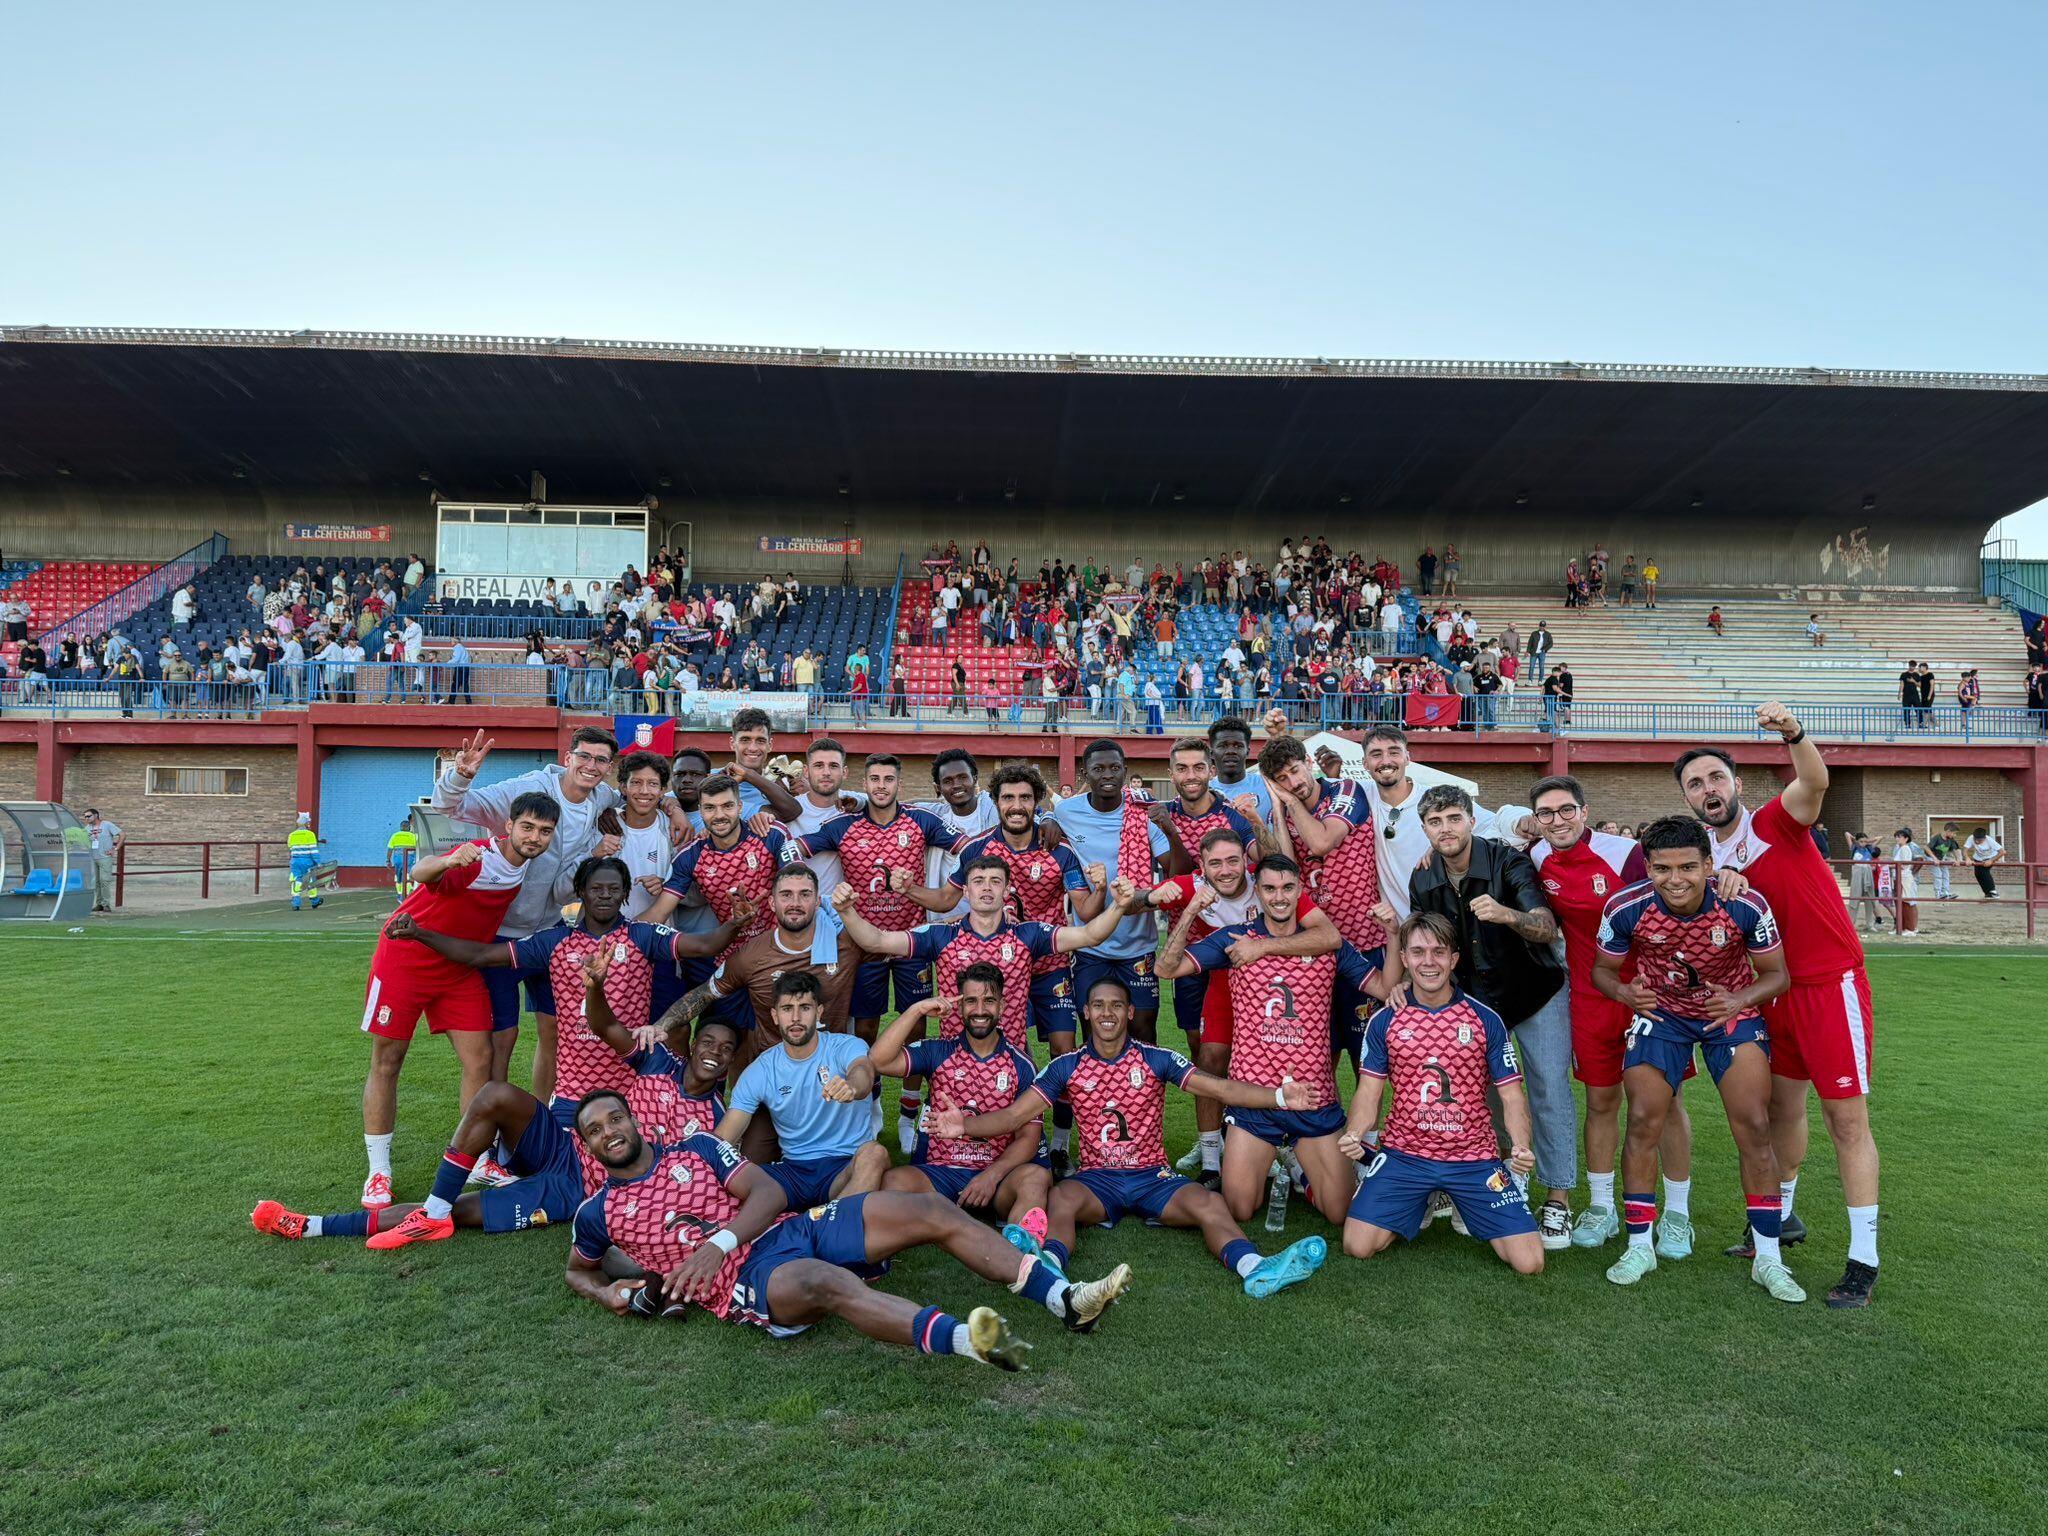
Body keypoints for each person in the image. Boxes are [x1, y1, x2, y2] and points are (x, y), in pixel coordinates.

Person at [563, 1093, 1127, 1363]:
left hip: (787, 1229)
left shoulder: (695, 1148)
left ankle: (1064, 1298)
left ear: (633, 1121)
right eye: (595, 1129)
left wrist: (717, 1241)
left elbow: (768, 1191)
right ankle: (973, 1343)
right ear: (586, 1144)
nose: (609, 1131)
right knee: (828, 1284)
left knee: (928, 1210)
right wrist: (606, 1289)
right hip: (749, 1278)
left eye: (615, 1118)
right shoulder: (597, 1214)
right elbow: (577, 1271)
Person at [256, 955, 740, 1247]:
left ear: (735, 1061)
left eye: (725, 1049)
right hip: (568, 1146)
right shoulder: (659, 1063)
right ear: (691, 1043)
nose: (714, 1053)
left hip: (581, 1192)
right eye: (707, 1043)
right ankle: (434, 1211)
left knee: (463, 1212)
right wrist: (595, 986)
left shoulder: (720, 1122)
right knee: (494, 1094)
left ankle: (313, 1226)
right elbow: (607, 1027)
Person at [931, 976, 1329, 1300]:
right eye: (1099, 1005)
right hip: (1097, 1180)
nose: (1107, 1013)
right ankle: (1049, 1267)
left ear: (1130, 1012)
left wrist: (1278, 1095)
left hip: (1151, 1176)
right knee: (1061, 1198)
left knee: (1208, 1202)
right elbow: (1014, 1115)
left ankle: (1254, 1268)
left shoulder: (1155, 1057)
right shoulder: (1064, 1066)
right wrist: (964, 1126)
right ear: (1086, 1013)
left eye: (1116, 1005)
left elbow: (1218, 1089)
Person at [1676, 703, 1883, 1307]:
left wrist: (1794, 733)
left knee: (1846, 1122)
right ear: (1688, 799)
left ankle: (1863, 1259)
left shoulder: (1772, 821)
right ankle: (1779, 1220)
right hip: (1775, 996)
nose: (1708, 790)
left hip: (1827, 985)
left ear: (1736, 784)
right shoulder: (1705, 862)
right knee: (1780, 1112)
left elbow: (1815, 783)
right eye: (1695, 784)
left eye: (1716, 778)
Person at [1591, 816, 1804, 1303]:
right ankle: (1640, 1244)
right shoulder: (1627, 906)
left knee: (1753, 1124)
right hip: (1661, 1016)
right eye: (1662, 868)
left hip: (1728, 1014)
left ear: (1710, 865)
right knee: (1644, 1119)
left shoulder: (1743, 903)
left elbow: (1777, 975)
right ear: (1647, 868)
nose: (1676, 879)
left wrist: (1738, 999)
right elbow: (1602, 970)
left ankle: (1768, 1256)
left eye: (1689, 866)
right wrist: (1625, 992)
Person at [384, 855, 743, 1117]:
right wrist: (419, 933)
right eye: (596, 888)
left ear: (623, 896)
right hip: (573, 1090)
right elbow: (480, 955)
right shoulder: (553, 942)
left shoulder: (642, 936)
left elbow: (705, 945)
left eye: (613, 889)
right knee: (560, 1173)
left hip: (633, 1086)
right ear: (580, 893)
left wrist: (735, 924)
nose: (604, 895)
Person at [1517, 776, 1702, 1254]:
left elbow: (1684, 883)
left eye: (1566, 810)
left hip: (1653, 997)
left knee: (1664, 1103)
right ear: (1536, 820)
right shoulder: (1537, 856)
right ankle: (1601, 1208)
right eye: (1546, 813)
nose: (1557, 820)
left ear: (1584, 810)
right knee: (1601, 1104)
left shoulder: (1625, 853)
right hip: (1592, 996)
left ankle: (1678, 1214)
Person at [1155, 854, 1391, 1227]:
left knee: (1340, 1212)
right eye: (1269, 888)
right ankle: (1273, 1163)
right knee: (1240, 1209)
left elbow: (1385, 987)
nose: (1279, 897)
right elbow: (1166, 968)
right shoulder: (1235, 940)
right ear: (1258, 893)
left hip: (1313, 1099)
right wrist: (1189, 911)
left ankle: (1300, 1174)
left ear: (1300, 889)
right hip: (1254, 1099)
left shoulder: (1327, 943)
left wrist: (1392, 935)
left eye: (1287, 888)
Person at [356, 793, 559, 1211]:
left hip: (458, 969)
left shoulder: (520, 866)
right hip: (404, 959)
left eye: (544, 831)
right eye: (527, 827)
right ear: (509, 826)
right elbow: (420, 871)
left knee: (480, 1061)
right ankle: (379, 1170)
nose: (534, 837)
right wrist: (449, 861)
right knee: (388, 1060)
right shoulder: (478, 857)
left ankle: (478, 1160)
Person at [434, 726, 654, 1098]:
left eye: (601, 760)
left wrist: (672, 805)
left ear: (608, 767)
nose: (591, 765)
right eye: (584, 756)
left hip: (551, 931)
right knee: (502, 1039)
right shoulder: (528, 789)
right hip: (500, 933)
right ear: (567, 757)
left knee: (557, 1031)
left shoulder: (601, 797)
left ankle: (544, 1119)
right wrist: (460, 776)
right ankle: (493, 1127)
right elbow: (450, 806)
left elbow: (632, 796)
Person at [1406, 784, 1577, 1248]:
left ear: (1471, 820)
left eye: (1454, 819)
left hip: (1534, 991)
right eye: (1436, 822)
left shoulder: (1507, 860)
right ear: (1424, 829)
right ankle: (1498, 1183)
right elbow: (1429, 950)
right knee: (1479, 1096)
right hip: (1477, 1001)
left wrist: (1507, 914)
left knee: (1547, 1087)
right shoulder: (1423, 878)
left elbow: (1546, 926)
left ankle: (1558, 1199)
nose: (1446, 829)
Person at [1338, 913, 1545, 1274]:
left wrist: (1521, 1146)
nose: (1428, 962)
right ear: (1404, 959)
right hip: (1405, 1156)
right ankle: (1421, 1197)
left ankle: (1455, 1193)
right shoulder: (1385, 1021)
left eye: (1438, 952)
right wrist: (1355, 1133)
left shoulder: (1484, 1020)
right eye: (1418, 952)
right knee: (1357, 1245)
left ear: (1454, 959)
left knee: (1529, 1262)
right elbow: (1368, 1094)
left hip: (1474, 1158)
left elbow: (1512, 1097)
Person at [834, 856, 1139, 1063]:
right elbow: (876, 940)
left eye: (995, 881)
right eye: (979, 881)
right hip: (954, 1061)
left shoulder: (1028, 935)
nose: (987, 887)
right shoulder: (942, 935)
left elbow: (1089, 936)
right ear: (965, 891)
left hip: (1012, 1061)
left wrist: (1119, 906)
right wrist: (847, 911)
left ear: (1007, 890)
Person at [784, 755, 960, 1047]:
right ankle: (871, 1093)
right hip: (863, 942)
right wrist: (804, 882)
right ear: (863, 784)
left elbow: (970, 847)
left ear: (899, 784)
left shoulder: (921, 820)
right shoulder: (842, 826)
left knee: (916, 1024)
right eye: (875, 779)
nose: (881, 786)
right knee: (864, 1027)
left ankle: (911, 1095)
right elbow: (791, 849)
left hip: (911, 940)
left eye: (888, 780)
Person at [857, 968, 1052, 1221]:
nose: (980, 1010)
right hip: (940, 1173)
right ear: (960, 1008)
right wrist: (917, 1010)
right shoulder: (937, 1051)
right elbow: (879, 1060)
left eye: (989, 1001)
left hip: (997, 1176)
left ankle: (1021, 1253)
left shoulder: (1021, 1064)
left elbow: (1029, 1137)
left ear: (1002, 1007)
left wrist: (991, 1176)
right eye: (971, 1001)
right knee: (893, 1181)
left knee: (1035, 1179)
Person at [714, 971, 894, 1210]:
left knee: (875, 1154)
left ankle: (826, 1225)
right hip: (794, 1170)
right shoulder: (762, 1069)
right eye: (787, 1009)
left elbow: (862, 1071)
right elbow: (725, 1137)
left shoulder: (845, 1045)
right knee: (738, 1179)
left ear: (818, 1012)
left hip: (845, 1167)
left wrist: (852, 1087)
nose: (796, 1017)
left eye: (805, 1008)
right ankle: (827, 1219)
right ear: (775, 1016)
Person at [1257, 735, 1387, 1066]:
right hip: (1317, 948)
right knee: (1317, 1059)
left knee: (1366, 1059)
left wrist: (1290, 801)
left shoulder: (1344, 790)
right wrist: (1277, 807)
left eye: (1295, 771)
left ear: (1309, 764)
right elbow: (1288, 870)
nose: (1292, 783)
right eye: (1282, 779)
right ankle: (1327, 1120)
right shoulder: (1287, 811)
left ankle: (1366, 1122)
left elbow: (1321, 842)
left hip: (1363, 944)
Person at [1050, 741, 1171, 1045]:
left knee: (1143, 1029)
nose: (1107, 775)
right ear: (1085, 773)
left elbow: (1175, 867)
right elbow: (1048, 819)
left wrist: (1169, 829)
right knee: (1093, 1030)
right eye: (1098, 768)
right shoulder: (1066, 811)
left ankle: (1142, 1092)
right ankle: (1095, 1092)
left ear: (1125, 772)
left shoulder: (1140, 812)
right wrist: (1047, 818)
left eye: (1115, 768)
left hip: (1137, 943)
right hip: (1090, 945)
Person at [1888, 829, 1922, 937]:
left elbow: (1904, 865)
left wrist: (1888, 866)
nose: (1897, 839)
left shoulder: (1905, 849)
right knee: (1900, 903)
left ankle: (1910, 928)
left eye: (1900, 837)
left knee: (1906, 902)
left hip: (1904, 878)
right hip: (1898, 877)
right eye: (1896, 837)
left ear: (1906, 838)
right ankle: (1901, 927)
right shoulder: (1900, 848)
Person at [287, 813, 324, 911]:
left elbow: (290, 848)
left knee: (296, 880)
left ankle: (296, 902)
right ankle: (314, 901)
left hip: (295, 861)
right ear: (306, 823)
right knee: (310, 880)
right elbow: (313, 850)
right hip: (307, 861)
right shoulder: (310, 834)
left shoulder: (291, 835)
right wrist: (318, 862)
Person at [1964, 824, 2002, 897]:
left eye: (1979, 840)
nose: (1977, 841)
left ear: (1985, 838)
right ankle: (1987, 893)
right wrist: (1967, 858)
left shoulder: (1990, 840)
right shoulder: (1971, 838)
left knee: (1984, 871)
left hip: (1990, 857)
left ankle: (1993, 891)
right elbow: (1965, 850)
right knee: (1978, 874)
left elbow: (2002, 852)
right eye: (1975, 839)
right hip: (1978, 858)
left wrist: (1991, 860)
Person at [386, 819, 419, 902]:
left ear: (400, 827)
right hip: (409, 859)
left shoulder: (394, 836)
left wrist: (388, 860)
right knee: (408, 875)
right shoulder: (413, 836)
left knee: (398, 877)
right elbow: (418, 848)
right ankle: (408, 892)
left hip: (397, 860)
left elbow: (390, 849)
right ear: (409, 827)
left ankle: (400, 895)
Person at [1927, 823, 1961, 901]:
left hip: (1941, 858)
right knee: (1938, 874)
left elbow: (1955, 850)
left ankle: (1945, 892)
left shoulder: (1951, 839)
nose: (1955, 835)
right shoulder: (1937, 838)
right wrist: (1934, 859)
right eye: (1954, 833)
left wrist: (1958, 860)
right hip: (1930, 857)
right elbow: (1926, 848)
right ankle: (1938, 893)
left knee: (1946, 874)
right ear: (1948, 831)